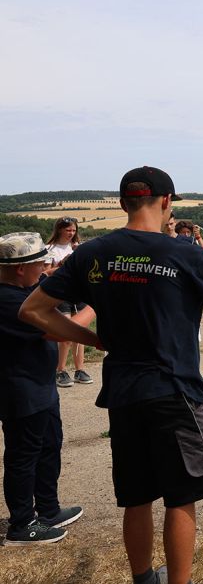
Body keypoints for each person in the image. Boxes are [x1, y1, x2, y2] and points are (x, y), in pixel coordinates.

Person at [19, 166, 203, 584]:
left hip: (124, 393)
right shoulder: (184, 252)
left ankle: (144, 579)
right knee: (181, 497)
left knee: (137, 496)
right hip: (175, 391)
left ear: (123, 203)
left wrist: (92, 341)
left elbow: (33, 311)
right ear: (166, 202)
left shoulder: (92, 254)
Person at [1, 232, 90, 545]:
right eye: (40, 264)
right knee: (23, 457)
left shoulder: (22, 288)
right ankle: (22, 524)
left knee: (49, 446)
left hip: (41, 387)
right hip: (21, 392)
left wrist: (61, 270)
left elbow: (47, 279)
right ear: (21, 269)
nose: (45, 268)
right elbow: (60, 330)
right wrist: (94, 303)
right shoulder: (9, 301)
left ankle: (48, 510)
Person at [45, 217, 93, 387]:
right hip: (60, 294)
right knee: (65, 334)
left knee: (80, 333)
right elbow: (44, 274)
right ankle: (61, 370)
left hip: (78, 293)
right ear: (59, 230)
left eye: (73, 230)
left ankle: (80, 369)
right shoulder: (49, 249)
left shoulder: (78, 248)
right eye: (68, 230)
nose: (71, 234)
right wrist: (63, 266)